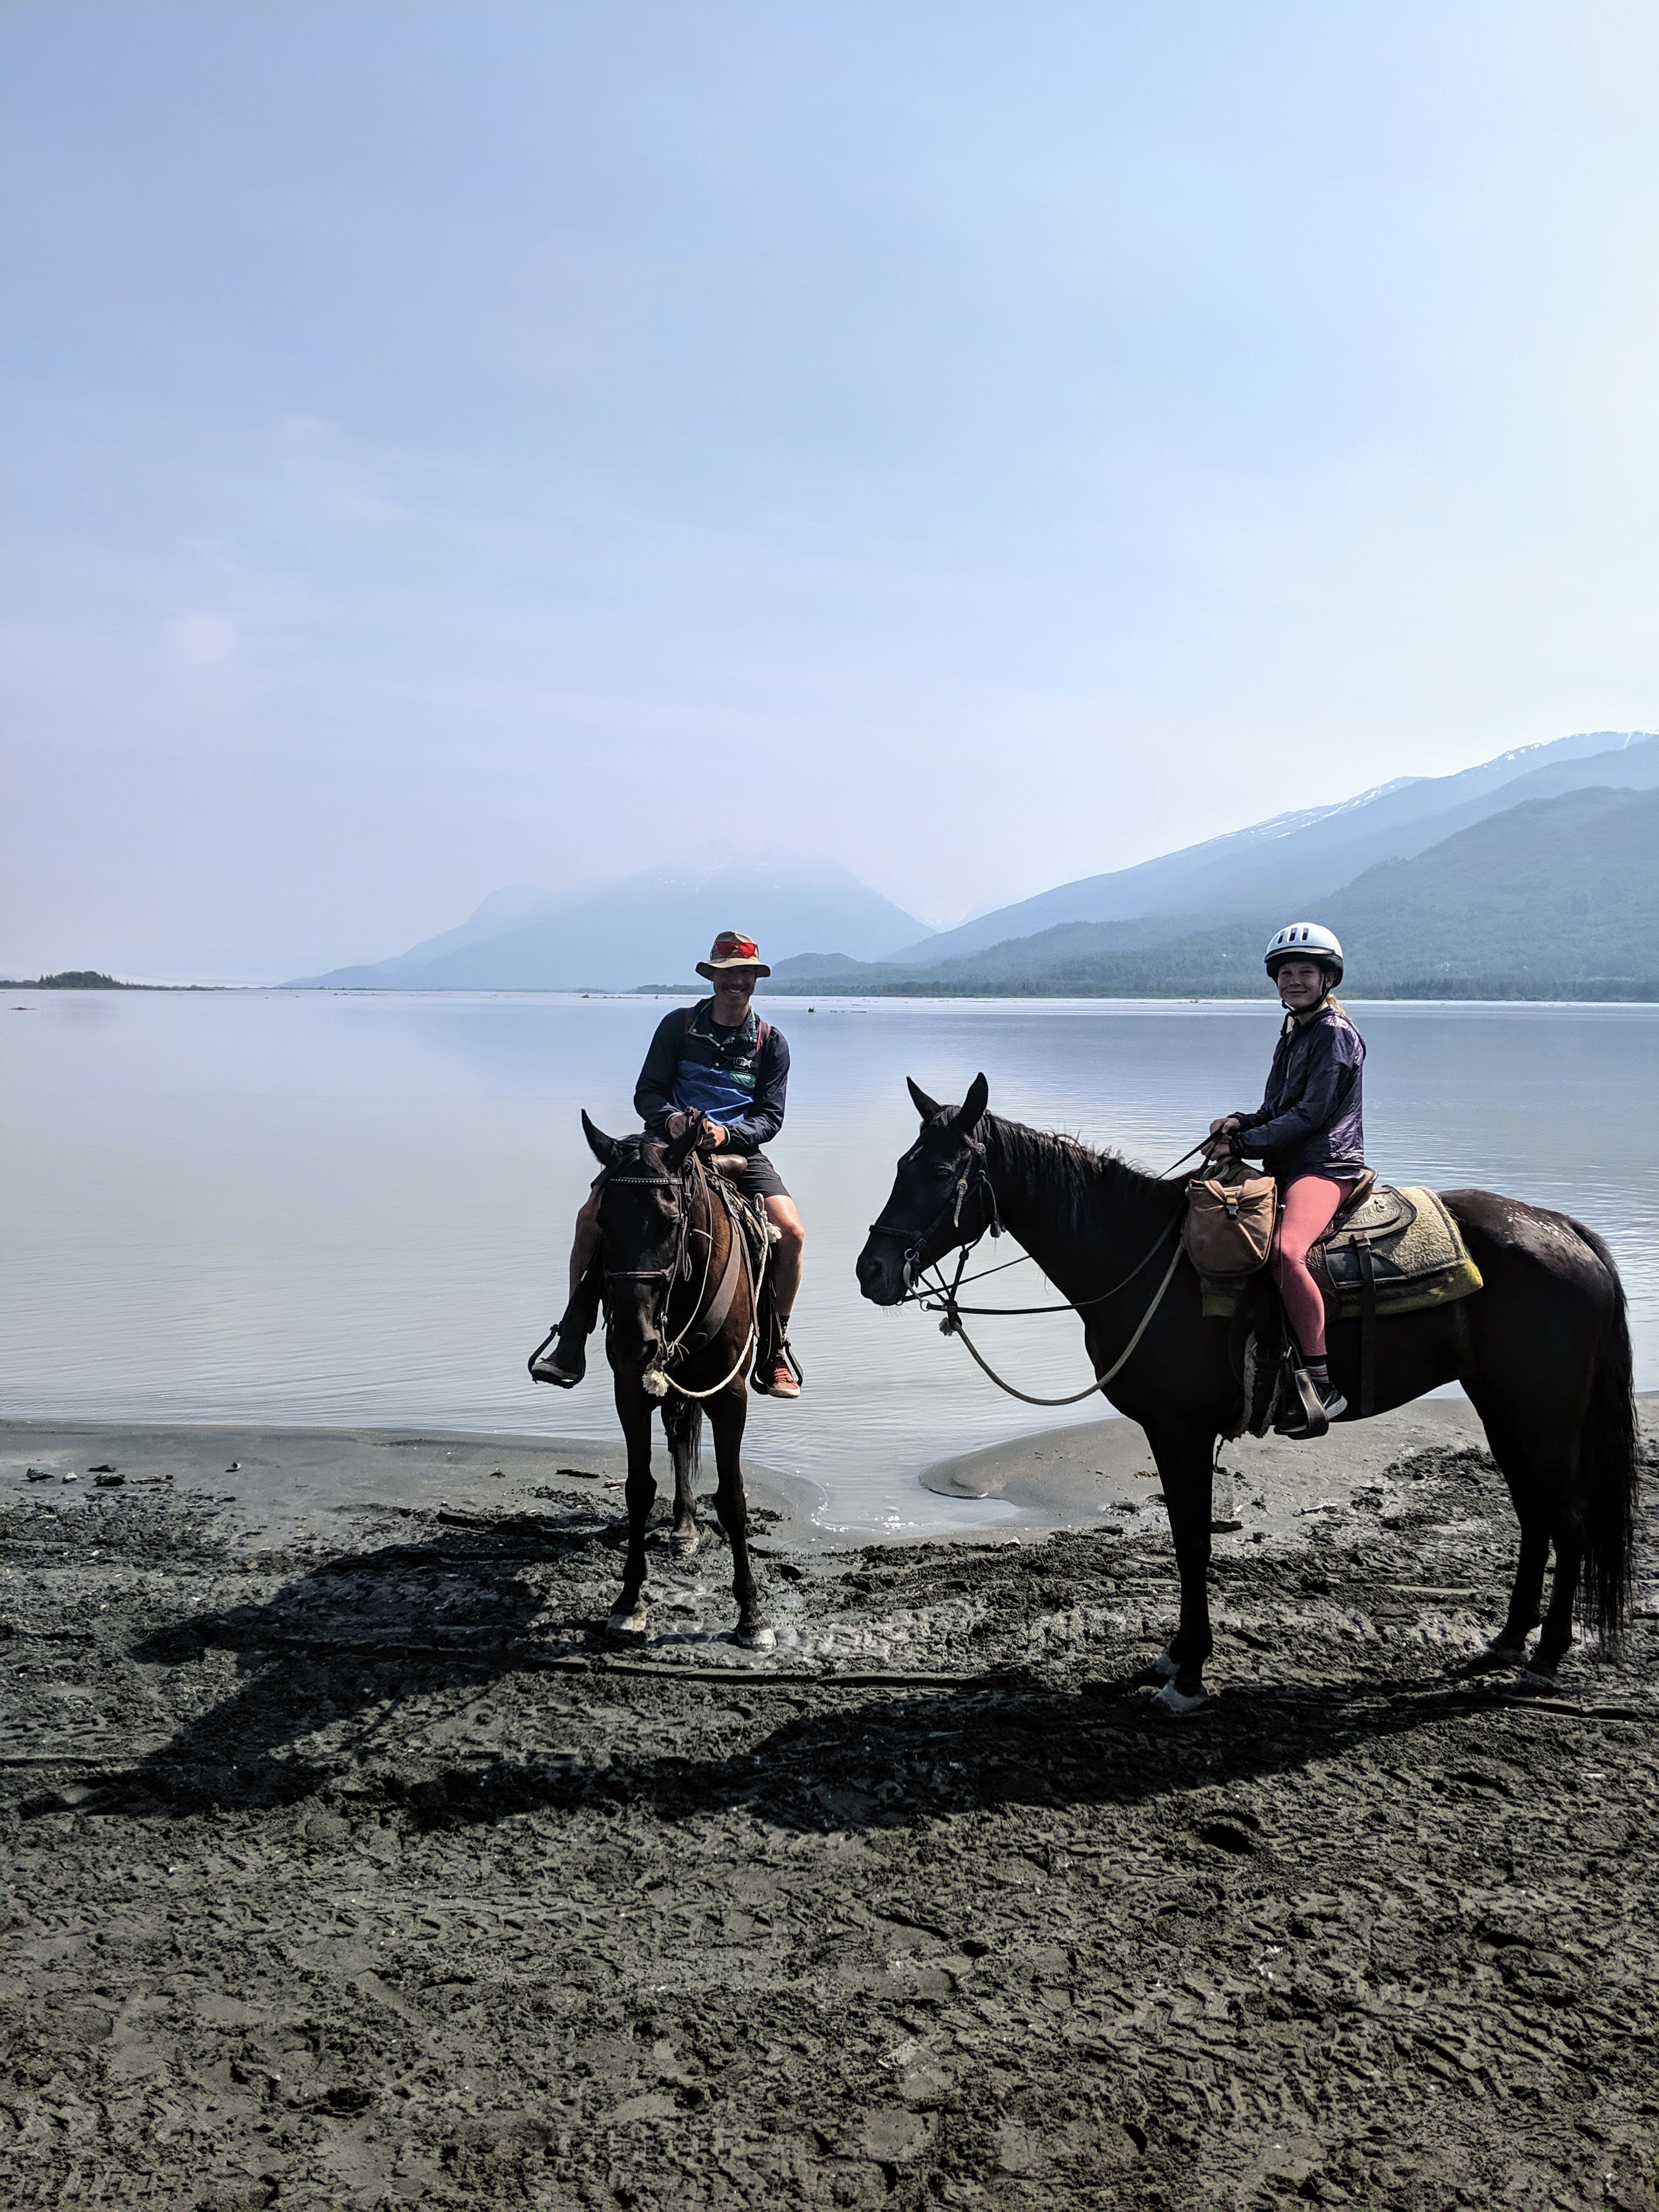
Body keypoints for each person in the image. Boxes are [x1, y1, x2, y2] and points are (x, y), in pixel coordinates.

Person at [531, 930, 806, 1397]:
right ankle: (573, 1335)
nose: (735, 982)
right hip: (664, 1144)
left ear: (755, 979)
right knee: (590, 1219)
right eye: (726, 974)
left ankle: (775, 1347)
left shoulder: (771, 1043)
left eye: (744, 973)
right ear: (712, 978)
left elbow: (770, 1117)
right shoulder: (677, 1027)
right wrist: (671, 1118)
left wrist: (728, 1133)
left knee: (792, 1233)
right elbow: (647, 1093)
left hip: (736, 1150)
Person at [1207, 923, 1365, 1436]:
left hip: (1326, 1163)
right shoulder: (1297, 1030)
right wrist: (1238, 1122)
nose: (1294, 981)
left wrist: (1244, 1144)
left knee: (1284, 1251)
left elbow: (1313, 1116)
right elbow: (1279, 1109)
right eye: (1286, 974)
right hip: (1290, 1162)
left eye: (1305, 972)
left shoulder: (1335, 1035)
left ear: (1327, 978)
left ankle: (1323, 1383)